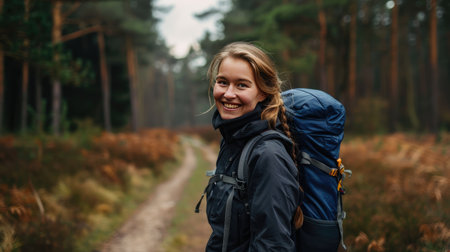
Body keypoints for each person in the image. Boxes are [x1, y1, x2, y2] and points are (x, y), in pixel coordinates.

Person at [204, 42, 302, 251]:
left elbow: (273, 245)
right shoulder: (233, 142)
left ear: (263, 93)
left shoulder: (268, 155)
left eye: (242, 85)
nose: (228, 94)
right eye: (222, 82)